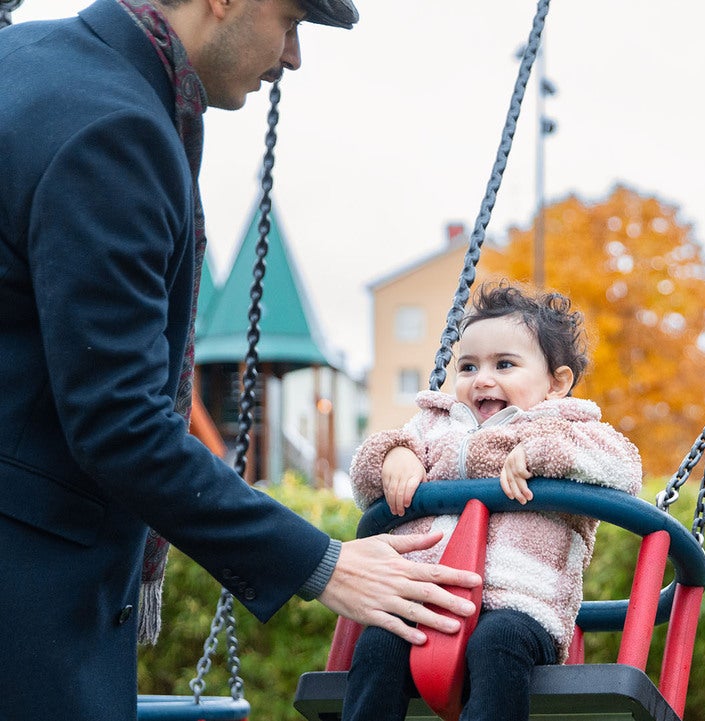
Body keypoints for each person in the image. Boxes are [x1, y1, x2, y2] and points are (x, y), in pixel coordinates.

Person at [0, 1, 481, 718]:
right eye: (289, 21)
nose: (293, 57)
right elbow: (120, 421)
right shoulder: (115, 129)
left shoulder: (26, 63)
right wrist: (324, 563)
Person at [342, 282, 643, 721]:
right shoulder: (432, 427)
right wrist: (395, 456)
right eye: (467, 366)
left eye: (504, 364)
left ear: (557, 383)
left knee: (495, 644)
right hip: (425, 598)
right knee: (378, 644)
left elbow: (624, 466)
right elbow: (366, 477)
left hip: (522, 606)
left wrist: (542, 455)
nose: (482, 379)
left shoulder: (566, 425)